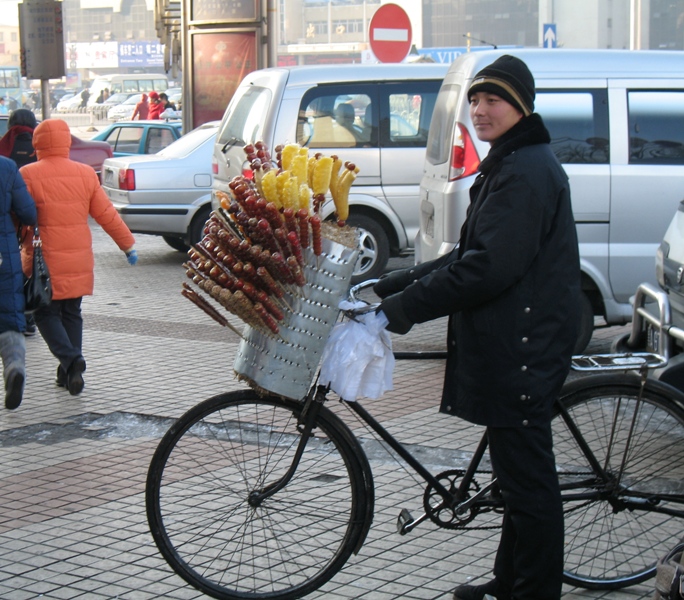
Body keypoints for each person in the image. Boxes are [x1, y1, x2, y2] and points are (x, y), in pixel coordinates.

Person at [374, 55, 581, 600]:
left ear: (521, 108)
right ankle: (508, 582)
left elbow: (486, 268)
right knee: (516, 478)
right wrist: (389, 289)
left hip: (524, 348)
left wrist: (402, 310)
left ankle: (531, 593)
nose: (480, 109)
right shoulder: (509, 163)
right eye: (477, 99)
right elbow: (464, 255)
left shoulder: (527, 171)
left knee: (530, 486)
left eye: (494, 100)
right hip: (515, 341)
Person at [19, 119, 138, 396]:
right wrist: (128, 244)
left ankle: (72, 361)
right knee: (72, 312)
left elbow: (19, 216)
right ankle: (68, 373)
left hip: (43, 261)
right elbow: (106, 213)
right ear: (66, 143)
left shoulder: (28, 174)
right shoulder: (85, 174)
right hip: (78, 259)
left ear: (37, 143)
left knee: (45, 313)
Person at [0, 155, 37, 409]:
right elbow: (28, 212)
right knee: (10, 318)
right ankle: (14, 366)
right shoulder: (6, 166)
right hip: (4, 254)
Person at [0, 109, 39, 337]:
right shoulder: (39, 146)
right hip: (31, 216)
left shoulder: (5, 146)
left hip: (9, 220)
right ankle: (28, 316)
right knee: (27, 268)